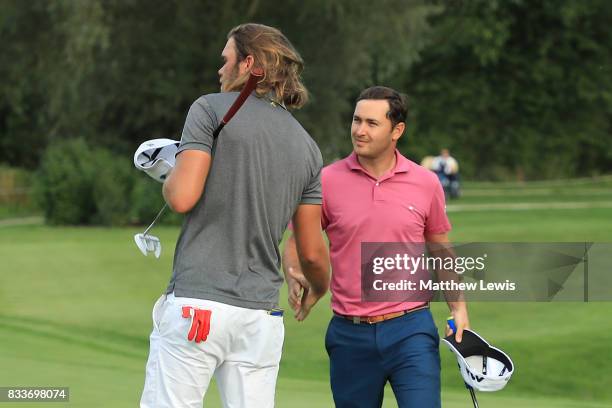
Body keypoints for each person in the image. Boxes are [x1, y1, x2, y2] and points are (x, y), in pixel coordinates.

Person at [140, 23, 330, 408]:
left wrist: (167, 172)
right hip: (260, 319)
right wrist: (318, 289)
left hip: (199, 303)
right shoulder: (308, 148)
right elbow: (311, 253)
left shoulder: (209, 108)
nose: (219, 70)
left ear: (248, 64)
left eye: (225, 60)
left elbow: (181, 197)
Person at [282, 86, 470, 408]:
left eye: (371, 123)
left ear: (397, 130)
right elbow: (297, 240)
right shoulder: (326, 180)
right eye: (356, 121)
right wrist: (294, 271)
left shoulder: (426, 182)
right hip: (349, 334)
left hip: (411, 329)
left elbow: (440, 248)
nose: (359, 130)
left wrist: (458, 307)